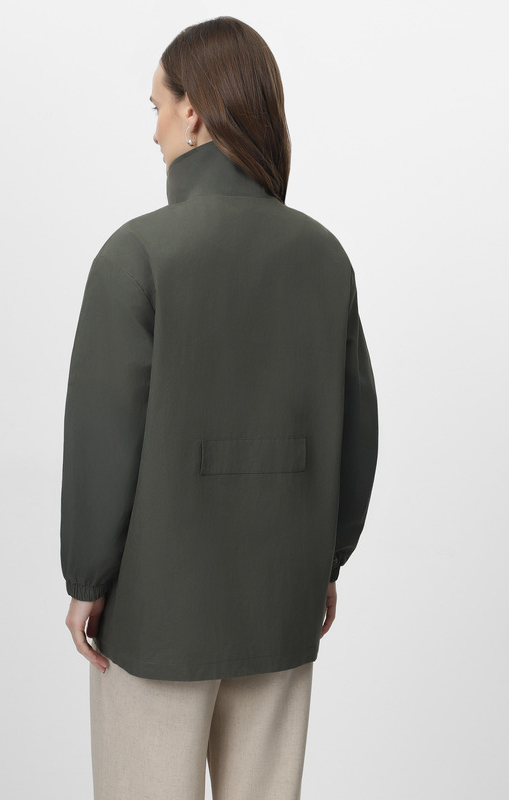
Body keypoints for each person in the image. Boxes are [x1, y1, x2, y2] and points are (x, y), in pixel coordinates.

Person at [60, 16, 379, 800]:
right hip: (281, 602)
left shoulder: (137, 257)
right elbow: (358, 434)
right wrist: (326, 561)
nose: (155, 130)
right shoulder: (324, 257)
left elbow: (104, 437)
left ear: (195, 113)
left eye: (158, 107)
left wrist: (87, 578)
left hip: (157, 616)